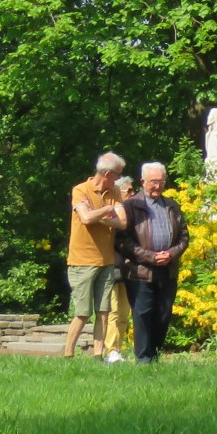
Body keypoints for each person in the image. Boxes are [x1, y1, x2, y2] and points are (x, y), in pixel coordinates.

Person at [120, 161, 188, 363]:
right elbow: (122, 241)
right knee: (142, 315)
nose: (157, 186)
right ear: (142, 181)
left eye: (161, 182)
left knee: (163, 314)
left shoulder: (172, 206)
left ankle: (155, 356)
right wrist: (150, 256)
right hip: (140, 271)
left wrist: (171, 254)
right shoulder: (131, 206)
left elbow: (184, 237)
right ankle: (143, 359)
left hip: (167, 270)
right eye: (153, 182)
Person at [63, 152, 128, 360]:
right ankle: (68, 356)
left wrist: (99, 217)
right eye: (117, 175)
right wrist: (108, 209)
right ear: (107, 173)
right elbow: (85, 217)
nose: (119, 179)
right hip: (81, 262)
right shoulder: (80, 190)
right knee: (82, 313)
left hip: (106, 261)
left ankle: (97, 355)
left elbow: (123, 222)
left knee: (103, 312)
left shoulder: (115, 190)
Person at [105, 174, 136, 362]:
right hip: (112, 267)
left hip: (128, 269)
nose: (133, 193)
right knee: (113, 310)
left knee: (124, 311)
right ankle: (110, 350)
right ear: (119, 192)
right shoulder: (112, 214)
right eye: (129, 190)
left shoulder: (131, 214)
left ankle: (118, 348)